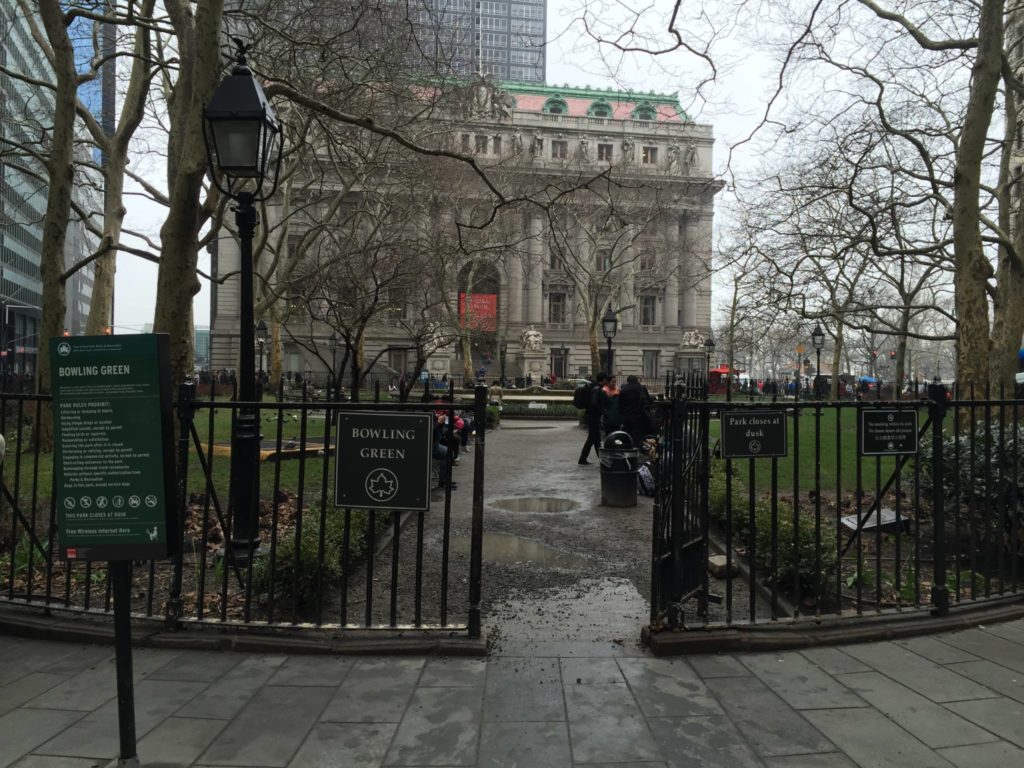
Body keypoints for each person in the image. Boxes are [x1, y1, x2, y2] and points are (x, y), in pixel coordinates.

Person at [578, 372, 605, 465]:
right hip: (593, 416)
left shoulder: (594, 386)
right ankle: (582, 458)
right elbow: (594, 402)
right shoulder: (597, 389)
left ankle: (602, 459)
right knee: (592, 438)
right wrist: (601, 410)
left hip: (591, 415)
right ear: (604, 379)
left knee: (596, 439)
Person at [620, 374, 653, 446]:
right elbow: (646, 400)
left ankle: (628, 449)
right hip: (637, 415)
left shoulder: (624, 388)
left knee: (628, 434)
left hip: (626, 415)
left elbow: (620, 403)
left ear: (628, 381)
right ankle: (636, 450)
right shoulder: (640, 387)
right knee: (637, 436)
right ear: (636, 380)